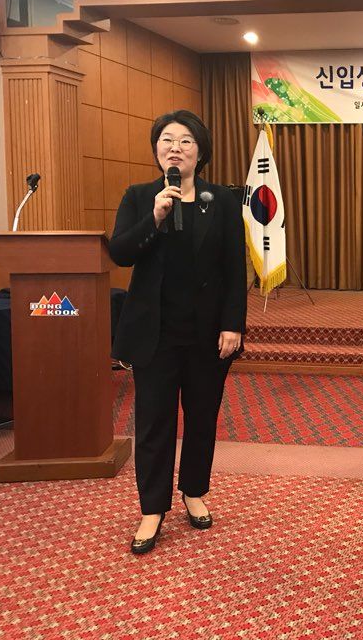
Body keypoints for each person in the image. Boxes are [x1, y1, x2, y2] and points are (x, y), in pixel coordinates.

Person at [108, 109, 247, 555]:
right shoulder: (139, 196)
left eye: (186, 141)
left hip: (206, 333)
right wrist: (154, 216)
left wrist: (232, 324)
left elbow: (233, 267)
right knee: (154, 422)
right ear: (156, 150)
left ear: (199, 152)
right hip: (156, 332)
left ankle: (194, 491)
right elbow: (121, 253)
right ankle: (152, 509)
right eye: (167, 139)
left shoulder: (220, 200)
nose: (175, 148)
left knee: (202, 417)